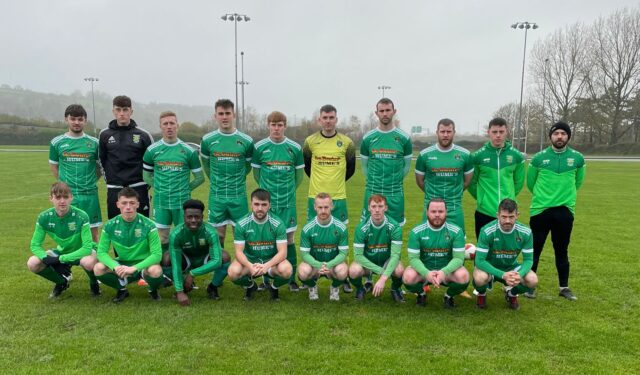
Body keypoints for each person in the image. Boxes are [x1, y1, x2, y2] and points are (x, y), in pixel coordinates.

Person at [526, 121, 585, 301]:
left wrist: (564, 199)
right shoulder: (538, 158)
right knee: (535, 250)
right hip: (540, 210)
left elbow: (578, 182)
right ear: (550, 136)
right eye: (556, 133)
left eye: (563, 133)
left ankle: (564, 287)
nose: (559, 136)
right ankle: (529, 287)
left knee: (562, 250)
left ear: (568, 136)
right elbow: (530, 183)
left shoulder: (577, 158)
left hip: (564, 212)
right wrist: (545, 198)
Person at [302, 104, 356, 293]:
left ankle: (344, 277)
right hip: (314, 198)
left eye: (331, 117)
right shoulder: (310, 142)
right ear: (319, 119)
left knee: (341, 237)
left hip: (339, 197)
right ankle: (312, 276)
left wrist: (335, 184)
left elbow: (351, 169)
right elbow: (307, 167)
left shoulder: (347, 142)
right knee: (312, 237)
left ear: (336, 119)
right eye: (324, 117)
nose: (328, 121)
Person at [142, 111, 204, 268]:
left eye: (172, 123)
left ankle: (185, 272)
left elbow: (200, 177)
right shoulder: (152, 150)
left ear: (178, 125)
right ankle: (163, 272)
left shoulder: (188, 151)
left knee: (184, 238)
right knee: (162, 239)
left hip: (182, 204)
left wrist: (185, 189)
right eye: (165, 124)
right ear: (160, 126)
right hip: (161, 202)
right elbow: (146, 176)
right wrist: (159, 187)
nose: (169, 127)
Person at [252, 111, 304, 291]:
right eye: (273, 124)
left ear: (285, 126)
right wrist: (267, 196)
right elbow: (257, 174)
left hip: (287, 204)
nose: (276, 128)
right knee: (268, 239)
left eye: (280, 124)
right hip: (267, 206)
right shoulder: (259, 147)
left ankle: (291, 279)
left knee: (289, 239)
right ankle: (266, 278)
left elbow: (299, 177)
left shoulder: (295, 148)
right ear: (268, 125)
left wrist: (287, 192)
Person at [27, 182, 100, 298]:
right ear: (51, 199)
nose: (62, 201)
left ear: (71, 198)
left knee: (88, 262)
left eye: (65, 197)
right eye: (58, 197)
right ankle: (61, 282)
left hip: (82, 252)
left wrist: (59, 259)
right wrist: (46, 258)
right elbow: (35, 245)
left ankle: (94, 282)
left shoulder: (82, 216)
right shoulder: (43, 217)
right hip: (62, 251)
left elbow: (87, 248)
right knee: (32, 263)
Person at [93, 187, 163, 303]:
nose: (128, 207)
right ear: (118, 204)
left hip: (143, 265)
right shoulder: (110, 225)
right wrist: (115, 266)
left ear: (138, 205)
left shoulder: (149, 225)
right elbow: (101, 253)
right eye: (124, 203)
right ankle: (121, 288)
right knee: (98, 268)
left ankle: (152, 289)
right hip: (123, 263)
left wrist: (134, 268)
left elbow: (157, 255)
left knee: (156, 270)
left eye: (132, 203)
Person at [200, 99, 253, 250]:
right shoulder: (207, 140)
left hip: (239, 196)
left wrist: (236, 179)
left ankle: (243, 271)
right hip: (217, 196)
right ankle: (220, 268)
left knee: (241, 234)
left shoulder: (246, 141)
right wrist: (217, 180)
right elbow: (206, 165)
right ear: (215, 116)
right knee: (218, 236)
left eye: (227, 113)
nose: (224, 117)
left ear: (233, 115)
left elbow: (247, 167)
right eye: (221, 113)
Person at [402, 198, 469, 309]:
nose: (437, 215)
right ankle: (421, 294)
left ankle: (449, 296)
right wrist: (426, 273)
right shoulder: (416, 232)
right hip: (424, 271)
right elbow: (413, 259)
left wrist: (443, 272)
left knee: (463, 276)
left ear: (446, 212)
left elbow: (458, 258)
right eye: (433, 211)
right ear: (427, 212)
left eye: (441, 211)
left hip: (447, 272)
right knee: (408, 277)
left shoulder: (456, 231)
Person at [49, 104, 102, 242]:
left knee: (93, 234)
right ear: (66, 119)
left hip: (89, 195)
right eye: (73, 119)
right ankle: (66, 262)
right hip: (67, 196)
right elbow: (54, 166)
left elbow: (99, 167)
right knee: (67, 233)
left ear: (85, 120)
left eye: (80, 119)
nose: (76, 122)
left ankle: (93, 263)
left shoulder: (94, 143)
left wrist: (89, 181)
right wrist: (63, 186)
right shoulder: (57, 142)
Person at [227, 189, 292, 301]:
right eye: (256, 204)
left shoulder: (278, 223)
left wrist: (266, 266)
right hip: (250, 262)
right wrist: (250, 265)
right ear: (251, 204)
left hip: (272, 263)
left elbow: (283, 252)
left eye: (264, 204)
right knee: (233, 273)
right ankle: (250, 286)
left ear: (269, 205)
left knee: (287, 270)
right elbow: (238, 252)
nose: (260, 208)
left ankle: (274, 287)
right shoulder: (242, 224)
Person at [473, 198, 538, 310]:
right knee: (479, 278)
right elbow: (479, 261)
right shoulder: (487, 231)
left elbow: (528, 260)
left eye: (511, 217)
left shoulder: (526, 232)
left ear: (517, 215)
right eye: (504, 217)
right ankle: (481, 294)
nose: (507, 220)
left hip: (511, 267)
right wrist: (503, 275)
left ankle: (511, 294)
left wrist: (519, 274)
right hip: (489, 267)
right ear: (498, 215)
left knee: (532, 280)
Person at [468, 117, 526, 239]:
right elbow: (471, 183)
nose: (498, 135)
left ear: (507, 132)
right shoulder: (478, 156)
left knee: (506, 250)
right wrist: (482, 198)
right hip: (484, 211)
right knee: (484, 250)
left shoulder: (516, 156)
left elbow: (519, 182)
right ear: (488, 132)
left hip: (508, 213)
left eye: (501, 132)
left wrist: (508, 200)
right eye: (494, 132)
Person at [360, 98, 413, 226]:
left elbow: (406, 167)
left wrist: (394, 181)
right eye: (381, 111)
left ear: (394, 111)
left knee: (395, 231)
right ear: (376, 113)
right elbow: (364, 166)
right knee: (370, 230)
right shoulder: (368, 138)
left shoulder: (404, 138)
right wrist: (375, 182)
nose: (385, 113)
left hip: (395, 192)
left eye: (388, 110)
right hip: (373, 190)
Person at [99, 95, 154, 219]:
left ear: (131, 111)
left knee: (142, 225)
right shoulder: (104, 134)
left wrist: (146, 183)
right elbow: (101, 160)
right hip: (115, 187)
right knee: (115, 225)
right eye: (118, 110)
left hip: (138, 187)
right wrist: (110, 181)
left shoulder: (144, 135)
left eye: (125, 110)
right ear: (113, 111)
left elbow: (152, 163)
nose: (122, 113)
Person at [415, 118, 473, 232]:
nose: (445, 135)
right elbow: (420, 182)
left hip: (454, 208)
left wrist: (455, 192)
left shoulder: (465, 155)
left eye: (448, 131)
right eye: (442, 132)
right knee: (428, 245)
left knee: (457, 245)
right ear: (437, 132)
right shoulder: (424, 155)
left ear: (454, 132)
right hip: (431, 208)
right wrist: (432, 194)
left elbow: (467, 182)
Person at [170, 199, 230, 306]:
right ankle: (182, 287)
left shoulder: (210, 232)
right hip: (186, 260)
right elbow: (176, 264)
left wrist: (192, 273)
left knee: (225, 257)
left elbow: (216, 260)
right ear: (184, 217)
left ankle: (212, 287)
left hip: (204, 259)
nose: (193, 220)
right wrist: (180, 292)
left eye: (197, 217)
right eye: (189, 217)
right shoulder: (176, 234)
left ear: (202, 217)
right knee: (166, 259)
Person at [349, 194, 405, 302]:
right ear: (369, 208)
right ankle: (361, 289)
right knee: (353, 271)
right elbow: (358, 256)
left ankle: (395, 289)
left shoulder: (394, 227)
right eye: (374, 206)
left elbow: (395, 255)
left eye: (380, 206)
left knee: (399, 270)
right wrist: (380, 271)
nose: (377, 210)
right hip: (367, 263)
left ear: (386, 208)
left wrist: (383, 278)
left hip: (387, 261)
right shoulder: (361, 228)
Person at [298, 193, 349, 301]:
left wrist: (329, 265)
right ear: (315, 207)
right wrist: (319, 265)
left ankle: (334, 287)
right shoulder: (307, 229)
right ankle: (312, 286)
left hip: (333, 265)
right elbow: (304, 254)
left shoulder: (341, 227)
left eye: (326, 207)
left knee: (343, 270)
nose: (323, 211)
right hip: (314, 265)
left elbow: (343, 254)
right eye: (320, 207)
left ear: (332, 206)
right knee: (302, 271)